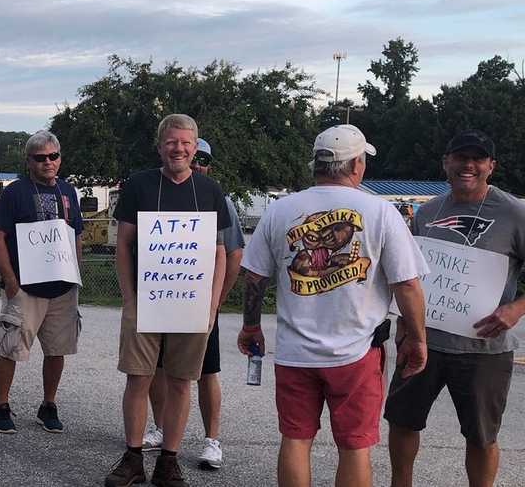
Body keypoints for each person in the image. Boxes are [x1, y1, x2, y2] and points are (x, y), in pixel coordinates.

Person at [237, 124, 428, 487]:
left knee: (296, 439)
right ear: (356, 164)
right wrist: (417, 339)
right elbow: (407, 285)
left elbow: (254, 278)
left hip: (295, 353)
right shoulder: (380, 211)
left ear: (317, 164)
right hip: (356, 354)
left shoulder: (281, 210)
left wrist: (250, 327)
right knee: (354, 447)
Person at [385, 130, 525, 487]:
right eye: (460, 157)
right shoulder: (427, 212)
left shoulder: (515, 213)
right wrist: (404, 324)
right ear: (446, 162)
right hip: (423, 341)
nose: (468, 165)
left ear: (491, 166)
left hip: (484, 349)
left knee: (480, 436)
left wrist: (516, 309)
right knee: (402, 421)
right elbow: (410, 276)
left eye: (478, 158)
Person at [105, 114, 230, 487]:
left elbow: (220, 252)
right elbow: (123, 244)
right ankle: (132, 458)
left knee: (180, 382)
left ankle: (169, 461)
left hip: (191, 303)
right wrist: (129, 298)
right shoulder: (140, 186)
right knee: (138, 379)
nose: (179, 149)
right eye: (171, 142)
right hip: (147, 301)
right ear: (160, 146)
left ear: (195, 147)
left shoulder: (209, 190)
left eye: (186, 143)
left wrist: (211, 306)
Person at [142, 138, 245, 470]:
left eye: (202, 158)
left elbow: (234, 255)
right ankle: (162, 428)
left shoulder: (217, 198)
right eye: (192, 156)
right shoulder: (160, 194)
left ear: (207, 164)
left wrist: (217, 301)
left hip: (199, 304)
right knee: (157, 369)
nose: (196, 162)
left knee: (206, 372)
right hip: (161, 298)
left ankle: (211, 440)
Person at [0, 130, 83, 434]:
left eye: (53, 156)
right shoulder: (14, 193)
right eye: (40, 158)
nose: (47, 162)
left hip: (61, 288)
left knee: (57, 350)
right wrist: (10, 280)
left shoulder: (68, 192)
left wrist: (76, 272)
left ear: (59, 158)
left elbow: (76, 234)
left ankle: (48, 405)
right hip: (25, 288)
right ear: (29, 161)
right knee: (11, 348)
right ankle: (2, 405)